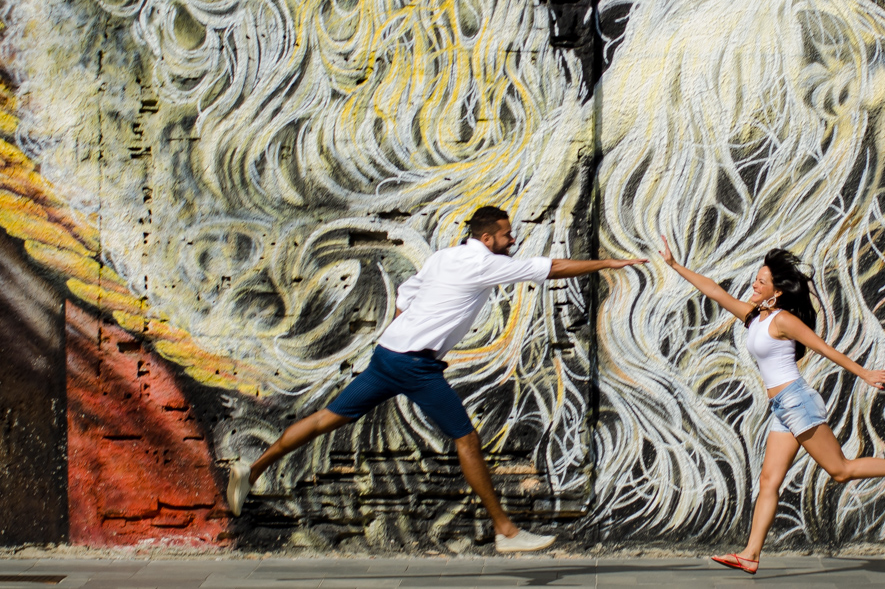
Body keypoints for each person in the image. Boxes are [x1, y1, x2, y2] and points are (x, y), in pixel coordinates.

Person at [227, 206, 646, 552]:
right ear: (487, 239)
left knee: (326, 419)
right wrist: (608, 262)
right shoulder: (483, 265)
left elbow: (407, 295)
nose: (511, 241)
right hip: (416, 365)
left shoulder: (444, 257)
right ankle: (506, 531)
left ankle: (254, 468)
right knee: (466, 439)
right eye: (506, 236)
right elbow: (551, 268)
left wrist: (410, 327)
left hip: (389, 354)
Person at [658, 237, 885, 574]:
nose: (755, 284)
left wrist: (863, 373)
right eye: (757, 278)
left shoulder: (783, 321)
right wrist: (675, 265)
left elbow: (824, 348)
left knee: (841, 470)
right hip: (782, 407)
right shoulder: (754, 317)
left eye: (762, 281)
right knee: (769, 482)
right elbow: (715, 291)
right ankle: (750, 554)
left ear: (776, 292)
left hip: (796, 401)